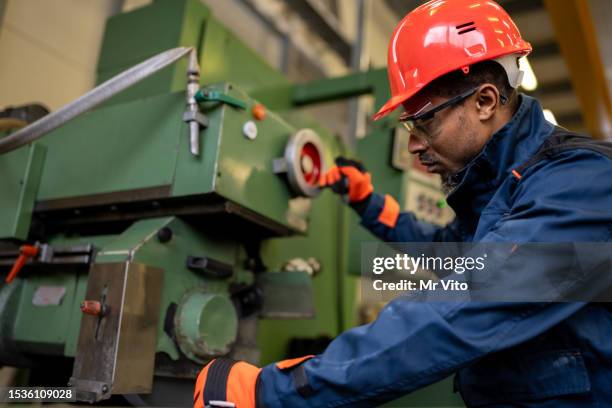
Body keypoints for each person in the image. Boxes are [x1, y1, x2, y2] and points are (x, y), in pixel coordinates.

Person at [193, 0, 612, 406]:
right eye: (408, 123)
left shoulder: (580, 181)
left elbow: (469, 302)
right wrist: (368, 203)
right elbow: (443, 251)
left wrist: (271, 392)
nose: (413, 144)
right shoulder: (501, 193)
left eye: (425, 119)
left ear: (484, 101)